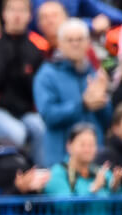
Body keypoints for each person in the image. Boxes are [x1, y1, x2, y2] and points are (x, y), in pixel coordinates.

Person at [0, 0, 50, 166]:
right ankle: (18, 173)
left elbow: (39, 89)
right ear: (4, 14)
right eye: (12, 10)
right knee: (18, 133)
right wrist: (3, 69)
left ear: (29, 15)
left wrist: (24, 75)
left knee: (40, 128)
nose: (17, 15)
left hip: (26, 111)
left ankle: (41, 177)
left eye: (22, 11)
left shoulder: (39, 46)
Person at [33, 18, 112, 167]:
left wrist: (102, 103)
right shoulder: (47, 75)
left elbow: (107, 120)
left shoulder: (95, 74)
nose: (75, 44)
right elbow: (48, 115)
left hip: (93, 160)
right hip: (60, 160)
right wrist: (82, 105)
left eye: (80, 39)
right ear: (60, 44)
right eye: (70, 40)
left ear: (88, 42)